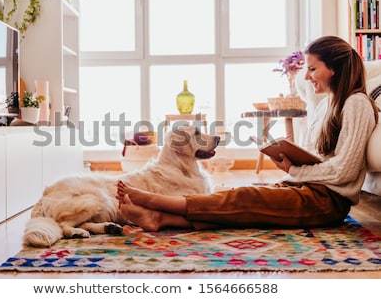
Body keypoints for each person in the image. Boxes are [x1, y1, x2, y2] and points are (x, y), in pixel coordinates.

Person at [115, 35, 379, 232]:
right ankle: (161, 219)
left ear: (335, 68)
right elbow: (323, 159)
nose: (308, 77)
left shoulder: (356, 103)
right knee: (242, 203)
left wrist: (296, 170)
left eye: (313, 69)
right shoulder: (326, 105)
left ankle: (157, 202)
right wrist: (293, 160)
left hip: (326, 202)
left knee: (245, 199)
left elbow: (344, 170)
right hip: (309, 189)